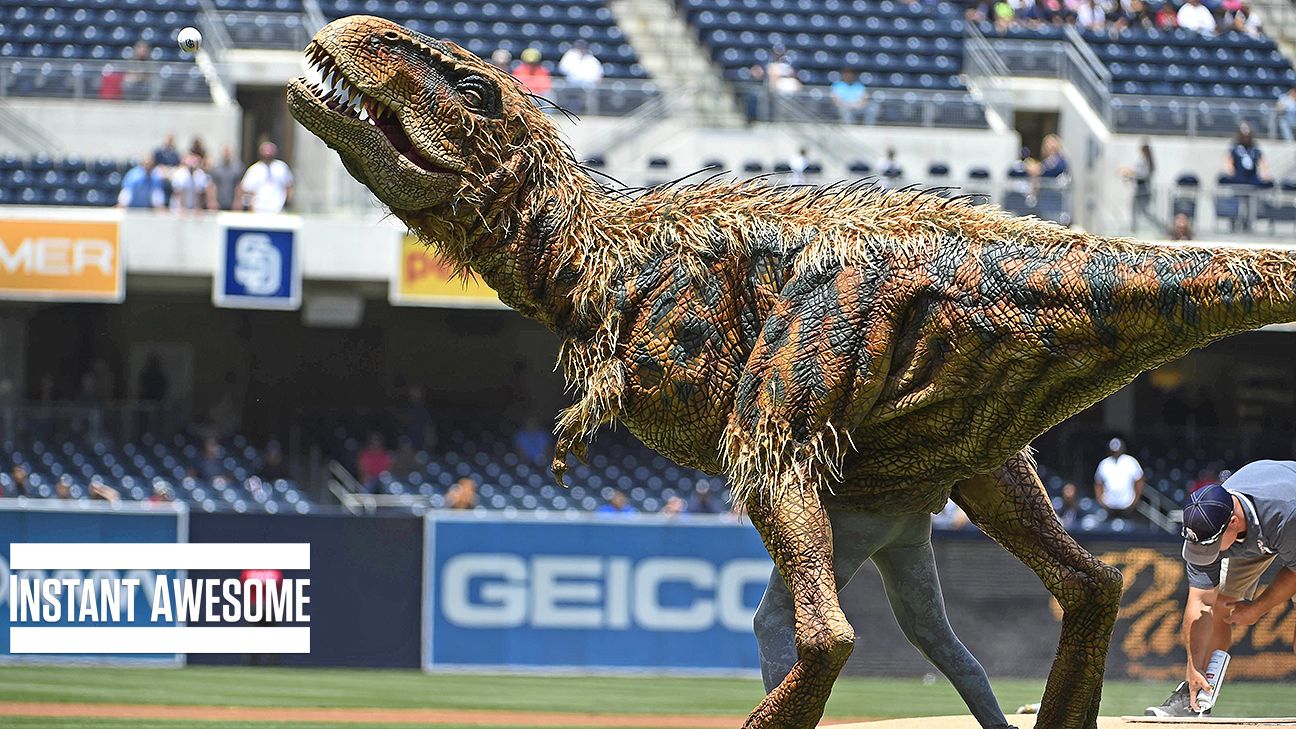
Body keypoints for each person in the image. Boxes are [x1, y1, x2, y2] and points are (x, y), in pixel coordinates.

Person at [756, 508, 1012, 728]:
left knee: (774, 617)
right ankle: (998, 724)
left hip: (857, 509)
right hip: (912, 515)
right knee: (937, 636)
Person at [1145, 464, 1296, 717]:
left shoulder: (1286, 513)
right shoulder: (1206, 519)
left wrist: (1257, 609)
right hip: (1258, 535)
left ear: (1234, 522)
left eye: (1211, 546)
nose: (1205, 554)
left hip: (1286, 522)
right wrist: (1193, 667)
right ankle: (1196, 696)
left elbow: (1294, 573)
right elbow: (1200, 603)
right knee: (1219, 605)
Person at [1094, 437, 1145, 520]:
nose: (1116, 452)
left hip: (1127, 506)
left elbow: (1139, 481)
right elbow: (1098, 483)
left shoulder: (1131, 461)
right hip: (1109, 506)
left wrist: (1135, 501)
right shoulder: (1104, 464)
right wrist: (1101, 501)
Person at [236, 142, 294, 213]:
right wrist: (249, 206)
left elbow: (288, 186)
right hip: (259, 209)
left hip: (277, 209)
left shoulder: (281, 167)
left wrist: (288, 203)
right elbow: (245, 188)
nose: (268, 156)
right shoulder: (255, 169)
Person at [1119, 141, 1157, 233]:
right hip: (1141, 187)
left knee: (1141, 211)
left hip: (1143, 188)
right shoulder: (1145, 159)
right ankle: (1134, 228)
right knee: (1138, 210)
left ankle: (1137, 229)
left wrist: (1130, 173)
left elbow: (1143, 174)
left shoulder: (1145, 160)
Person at [209, 146, 244, 211]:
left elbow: (239, 186)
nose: (226, 154)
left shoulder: (237, 168)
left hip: (232, 204)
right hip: (219, 203)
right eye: (225, 152)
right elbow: (213, 185)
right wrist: (212, 200)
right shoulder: (216, 168)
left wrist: (238, 201)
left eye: (228, 152)